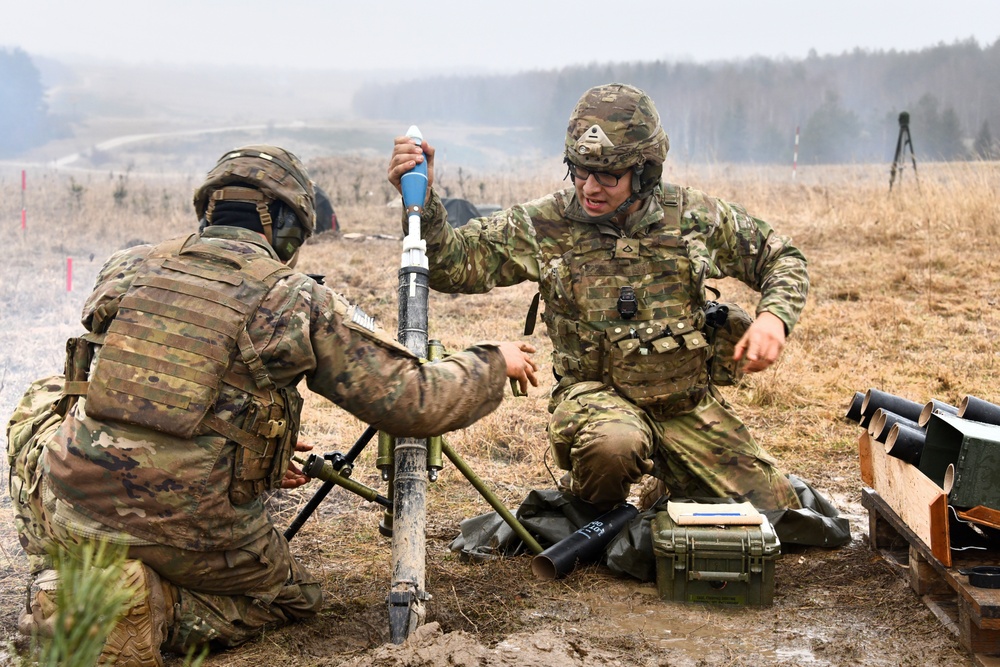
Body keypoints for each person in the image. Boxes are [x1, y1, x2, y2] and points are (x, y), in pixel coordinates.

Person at [7, 144, 538, 665]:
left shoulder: (126, 267)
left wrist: (255, 447)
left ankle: (71, 579)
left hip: (72, 505)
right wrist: (495, 361)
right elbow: (414, 401)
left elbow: (143, 382)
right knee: (291, 598)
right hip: (196, 531)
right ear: (288, 228)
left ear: (209, 208)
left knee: (48, 394)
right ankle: (147, 602)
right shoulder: (292, 298)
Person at [387, 83, 808, 516]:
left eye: (607, 175)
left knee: (777, 515)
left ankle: (669, 490)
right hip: (597, 403)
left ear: (644, 173)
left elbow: (781, 257)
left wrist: (773, 318)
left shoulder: (694, 217)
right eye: (579, 170)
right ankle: (595, 503)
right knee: (614, 447)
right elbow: (452, 264)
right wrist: (424, 202)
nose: (589, 187)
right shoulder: (546, 223)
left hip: (686, 406)